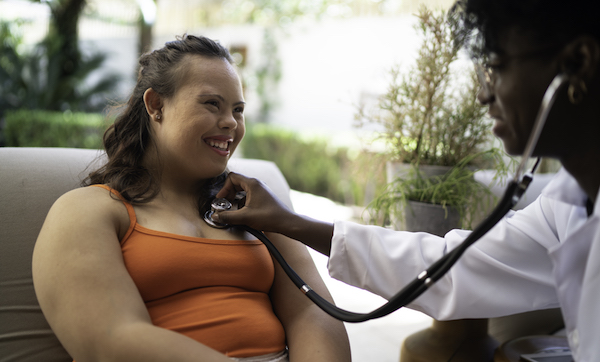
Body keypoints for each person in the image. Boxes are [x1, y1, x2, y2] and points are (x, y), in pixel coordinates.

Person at [213, 1, 600, 360]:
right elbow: (453, 268)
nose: (485, 94)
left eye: (497, 67)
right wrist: (292, 222)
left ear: (578, 63)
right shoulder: (568, 205)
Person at [32, 35, 351, 362]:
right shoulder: (88, 210)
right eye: (212, 103)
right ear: (156, 105)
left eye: (238, 110)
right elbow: (114, 340)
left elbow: (314, 313)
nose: (231, 122)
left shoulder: (256, 209)